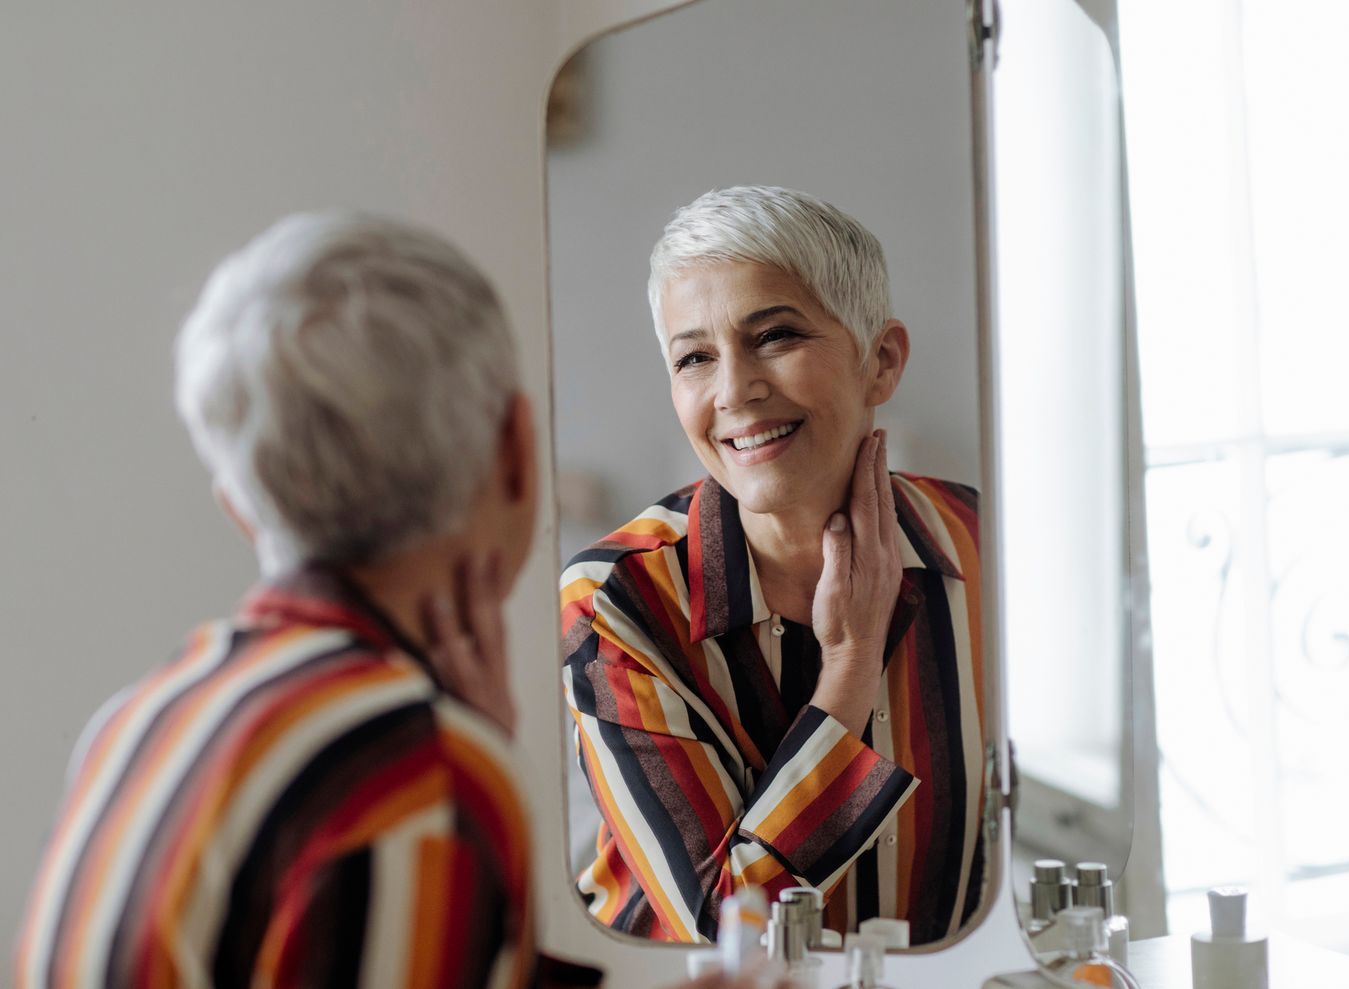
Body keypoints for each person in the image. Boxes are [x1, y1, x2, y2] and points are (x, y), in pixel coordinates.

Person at [15, 212, 778, 989]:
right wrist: (462, 770)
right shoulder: (416, 775)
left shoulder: (138, 719)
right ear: (517, 453)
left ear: (239, 507)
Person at [562, 187, 988, 945]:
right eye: (695, 357)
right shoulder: (614, 602)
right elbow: (723, 927)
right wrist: (851, 665)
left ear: (881, 361)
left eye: (776, 336)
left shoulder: (989, 545)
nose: (735, 390)